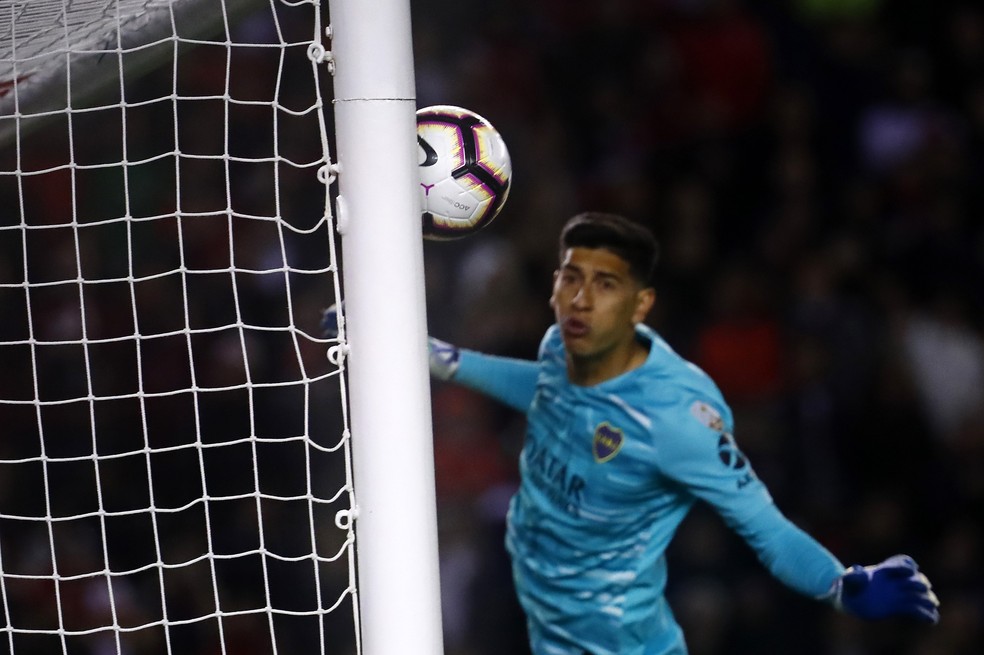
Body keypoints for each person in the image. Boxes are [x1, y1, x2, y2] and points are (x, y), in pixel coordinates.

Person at [325, 212, 940, 655]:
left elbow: (765, 525)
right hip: (537, 607)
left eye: (605, 285)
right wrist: (441, 358)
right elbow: (543, 387)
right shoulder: (560, 346)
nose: (580, 300)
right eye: (571, 278)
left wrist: (840, 585)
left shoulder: (679, 416)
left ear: (641, 305)